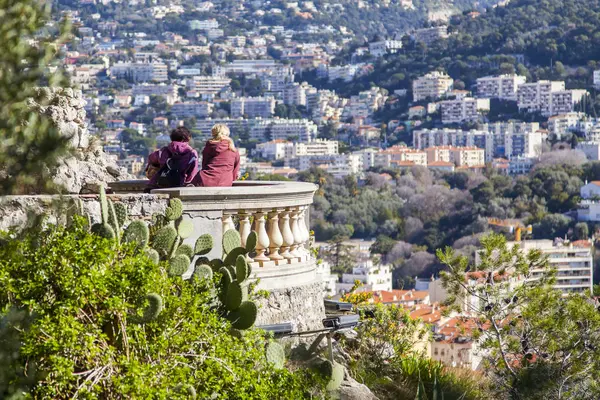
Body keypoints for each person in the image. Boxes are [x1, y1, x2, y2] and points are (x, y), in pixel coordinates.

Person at [145, 126, 198, 190]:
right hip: (180, 185)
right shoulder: (192, 153)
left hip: (159, 185)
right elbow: (192, 173)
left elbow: (151, 158)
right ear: (188, 138)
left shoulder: (163, 151)